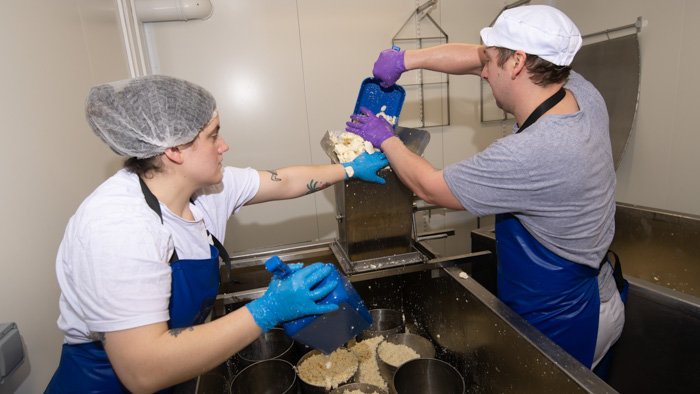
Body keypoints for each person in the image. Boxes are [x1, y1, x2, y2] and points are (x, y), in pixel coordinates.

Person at [46, 74, 389, 393]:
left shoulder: (206, 189)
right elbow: (142, 371)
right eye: (212, 135)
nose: (224, 145)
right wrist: (269, 309)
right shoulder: (118, 227)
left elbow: (284, 181)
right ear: (174, 149)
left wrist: (348, 169)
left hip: (177, 376)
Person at [346, 5, 625, 372]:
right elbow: (477, 59)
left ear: (516, 63)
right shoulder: (580, 91)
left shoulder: (532, 152)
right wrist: (405, 60)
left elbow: (429, 187)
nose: (482, 72)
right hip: (604, 295)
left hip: (565, 321)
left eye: (491, 62)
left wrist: (386, 139)